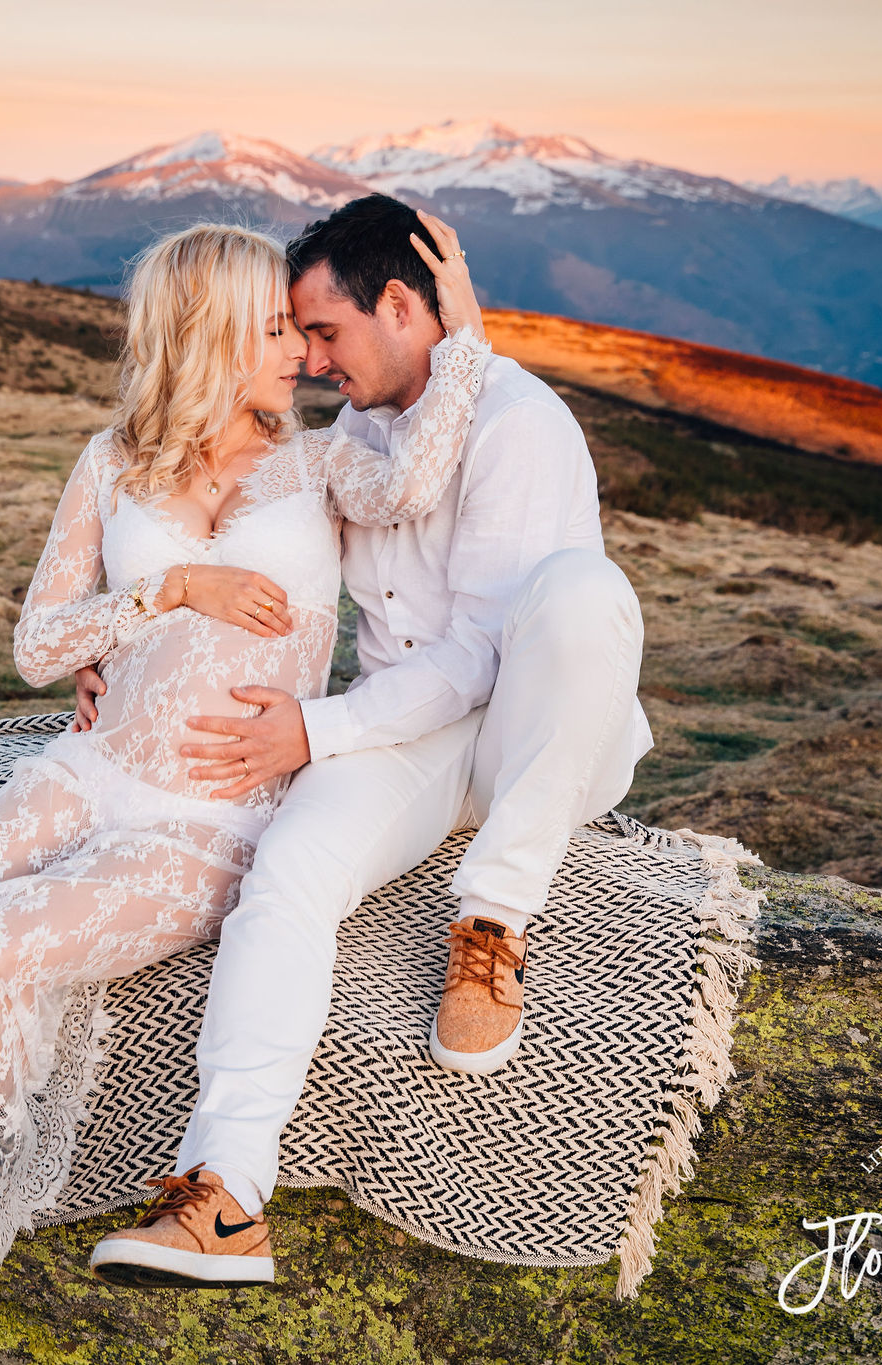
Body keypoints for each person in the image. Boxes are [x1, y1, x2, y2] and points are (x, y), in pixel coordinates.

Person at [0, 215, 495, 1299]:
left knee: (1, 944)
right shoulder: (110, 464)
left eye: (300, 330)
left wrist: (463, 326)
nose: (300, 350)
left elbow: (415, 480)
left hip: (212, 807)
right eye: (271, 330)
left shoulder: (320, 464)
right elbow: (36, 644)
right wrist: (163, 593)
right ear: (200, 337)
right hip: (90, 764)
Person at [87, 194, 654, 1289]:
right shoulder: (354, 436)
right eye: (295, 337)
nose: (307, 358)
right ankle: (223, 1197)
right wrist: (128, 633)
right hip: (407, 729)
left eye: (325, 332)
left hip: (533, 732)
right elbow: (234, 538)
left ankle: (490, 923)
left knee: (585, 593)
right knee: (286, 872)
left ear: (401, 307)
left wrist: (317, 730)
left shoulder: (518, 424)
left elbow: (484, 659)